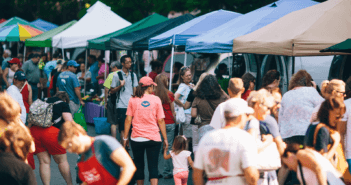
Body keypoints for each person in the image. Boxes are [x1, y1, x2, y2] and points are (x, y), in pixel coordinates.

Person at [193, 98, 259, 185]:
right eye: (246, 115)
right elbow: (252, 176)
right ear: (240, 116)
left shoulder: (206, 138)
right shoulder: (244, 138)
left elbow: (197, 174)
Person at [58, 121, 136, 185]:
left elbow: (129, 166)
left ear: (76, 134)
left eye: (69, 145)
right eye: (67, 149)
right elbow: (88, 181)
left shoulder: (103, 142)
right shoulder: (81, 159)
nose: (70, 151)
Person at [123, 76, 168, 185]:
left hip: (136, 138)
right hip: (153, 138)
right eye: (152, 86)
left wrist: (125, 137)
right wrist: (165, 139)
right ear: (149, 87)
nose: (153, 88)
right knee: (153, 166)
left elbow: (128, 119)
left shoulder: (133, 99)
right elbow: (161, 120)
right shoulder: (156, 99)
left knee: (139, 165)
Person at [29, 91, 74, 185]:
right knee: (62, 161)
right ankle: (70, 184)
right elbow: (69, 121)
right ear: (65, 99)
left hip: (35, 132)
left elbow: (31, 118)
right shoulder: (63, 104)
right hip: (52, 132)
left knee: (44, 162)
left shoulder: (42, 100)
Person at [279, 70, 323, 147]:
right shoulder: (311, 91)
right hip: (305, 133)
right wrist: (315, 88)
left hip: (287, 134)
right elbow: (323, 107)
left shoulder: (286, 95)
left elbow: (280, 117)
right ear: (309, 82)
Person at [191, 74, 228, 152]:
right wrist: (221, 90)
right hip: (218, 129)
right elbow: (230, 101)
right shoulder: (221, 97)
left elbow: (193, 114)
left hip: (203, 128)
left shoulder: (198, 97)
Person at [246, 89, 275, 184]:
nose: (269, 112)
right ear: (258, 105)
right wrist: (269, 141)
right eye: (267, 108)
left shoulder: (244, 120)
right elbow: (251, 149)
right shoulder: (253, 122)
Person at [110, 55, 138, 140]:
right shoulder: (116, 75)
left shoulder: (133, 75)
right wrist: (120, 86)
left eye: (131, 62)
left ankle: (127, 144)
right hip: (121, 105)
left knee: (131, 127)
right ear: (122, 63)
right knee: (122, 128)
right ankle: (124, 147)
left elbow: (135, 89)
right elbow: (112, 90)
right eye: (128, 62)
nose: (130, 64)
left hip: (132, 105)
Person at [154, 74, 176, 179]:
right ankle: (167, 172)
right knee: (169, 146)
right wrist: (175, 121)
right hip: (169, 123)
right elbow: (173, 111)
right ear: (165, 82)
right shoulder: (170, 94)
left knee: (157, 148)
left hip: (158, 123)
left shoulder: (153, 95)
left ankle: (156, 172)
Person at [175, 66, 194, 142]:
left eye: (190, 75)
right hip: (187, 114)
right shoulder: (183, 86)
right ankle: (184, 152)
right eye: (187, 76)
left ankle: (181, 151)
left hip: (188, 114)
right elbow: (175, 97)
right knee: (187, 138)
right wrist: (184, 106)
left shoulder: (189, 85)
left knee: (183, 136)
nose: (189, 77)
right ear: (182, 77)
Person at [104, 62, 121, 130]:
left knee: (113, 123)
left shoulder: (111, 75)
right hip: (124, 101)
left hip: (113, 100)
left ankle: (114, 139)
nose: (111, 70)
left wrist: (106, 101)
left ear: (115, 67)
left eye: (111, 68)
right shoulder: (126, 74)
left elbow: (106, 89)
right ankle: (123, 140)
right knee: (122, 122)